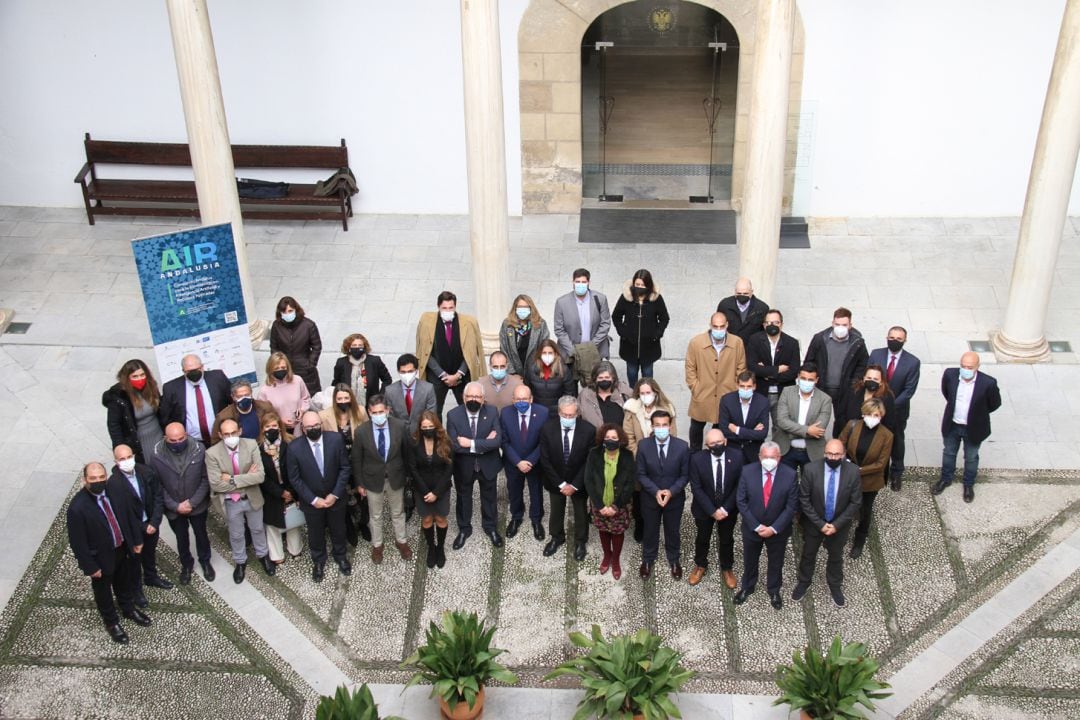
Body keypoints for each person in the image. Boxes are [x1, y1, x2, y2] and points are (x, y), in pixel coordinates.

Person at [67, 462, 149, 644]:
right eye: (93, 478)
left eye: (101, 477)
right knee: (103, 592)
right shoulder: (77, 508)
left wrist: (136, 540)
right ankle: (112, 623)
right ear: (85, 480)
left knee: (124, 582)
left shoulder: (114, 491)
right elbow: (77, 542)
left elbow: (127, 516)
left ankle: (128, 609)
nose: (98, 481)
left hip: (121, 548)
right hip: (100, 557)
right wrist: (89, 566)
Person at [792, 439, 862, 607]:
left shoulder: (852, 472)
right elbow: (804, 500)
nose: (833, 457)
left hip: (839, 526)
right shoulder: (811, 470)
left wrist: (836, 525)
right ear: (824, 453)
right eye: (829, 453)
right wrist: (820, 524)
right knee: (808, 554)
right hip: (814, 524)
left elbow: (855, 502)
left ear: (843, 455)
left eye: (837, 454)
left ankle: (835, 585)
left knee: (836, 557)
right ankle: (804, 581)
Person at [287, 410, 352, 582]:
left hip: (335, 498)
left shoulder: (336, 439)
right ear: (303, 427)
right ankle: (319, 561)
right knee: (315, 533)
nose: (314, 428)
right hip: (312, 502)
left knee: (339, 529)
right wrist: (313, 500)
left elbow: (345, 468)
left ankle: (340, 556)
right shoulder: (294, 448)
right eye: (309, 427)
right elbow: (295, 478)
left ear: (321, 424)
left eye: (316, 425)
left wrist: (336, 494)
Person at [206, 419, 273, 583]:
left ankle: (263, 555)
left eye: (233, 432)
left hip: (252, 497)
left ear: (240, 431)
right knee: (236, 534)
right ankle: (240, 561)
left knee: (257, 529)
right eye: (227, 434)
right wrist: (246, 479)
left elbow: (259, 476)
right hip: (231, 502)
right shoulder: (212, 453)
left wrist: (231, 479)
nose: (231, 436)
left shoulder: (251, 445)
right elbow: (216, 484)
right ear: (221, 435)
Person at [734, 441, 799, 610]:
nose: (769, 460)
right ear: (759, 457)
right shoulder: (747, 472)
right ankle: (748, 586)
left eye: (772, 457)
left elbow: (791, 506)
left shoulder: (790, 474)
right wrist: (756, 526)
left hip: (778, 531)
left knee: (776, 562)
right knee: (750, 560)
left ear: (779, 457)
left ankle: (774, 590)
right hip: (752, 529)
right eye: (765, 457)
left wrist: (774, 528)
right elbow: (741, 501)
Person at [108, 445, 173, 607]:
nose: (126, 461)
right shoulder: (114, 484)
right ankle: (137, 591)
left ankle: (151, 577)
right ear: (116, 461)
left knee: (150, 554)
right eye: (122, 459)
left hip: (151, 523)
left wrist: (155, 522)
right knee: (134, 562)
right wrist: (143, 528)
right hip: (133, 530)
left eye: (129, 457)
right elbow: (121, 515)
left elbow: (158, 496)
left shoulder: (146, 472)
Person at [933, 352, 1001, 503]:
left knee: (971, 457)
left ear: (977, 367)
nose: (965, 370)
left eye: (969, 367)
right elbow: (947, 393)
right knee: (949, 452)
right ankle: (946, 478)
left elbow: (995, 403)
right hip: (952, 424)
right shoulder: (950, 374)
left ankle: (968, 484)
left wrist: (978, 413)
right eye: (963, 366)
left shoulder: (988, 383)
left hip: (973, 427)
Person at [352, 395, 413, 564]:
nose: (378, 415)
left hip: (396, 477)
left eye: (381, 411)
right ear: (369, 413)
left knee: (398, 513)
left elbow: (406, 452)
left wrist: (408, 476)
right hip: (372, 480)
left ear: (387, 410)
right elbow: (356, 459)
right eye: (374, 412)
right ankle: (377, 545)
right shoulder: (361, 431)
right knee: (375, 515)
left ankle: (401, 541)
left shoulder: (400, 426)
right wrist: (359, 483)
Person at [151, 423, 214, 584]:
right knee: (181, 538)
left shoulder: (199, 450)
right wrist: (175, 505)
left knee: (201, 534)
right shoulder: (157, 455)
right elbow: (157, 486)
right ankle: (186, 565)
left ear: (186, 435)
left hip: (197, 505)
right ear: (166, 438)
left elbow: (205, 480)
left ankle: (205, 561)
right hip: (174, 508)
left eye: (181, 438)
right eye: (173, 440)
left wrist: (192, 503)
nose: (178, 442)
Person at [446, 382, 503, 549]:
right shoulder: (453, 415)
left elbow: (497, 441)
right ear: (463, 397)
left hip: (488, 465)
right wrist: (484, 443)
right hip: (464, 467)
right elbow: (454, 445)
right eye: (470, 396)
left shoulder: (492, 412)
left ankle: (491, 527)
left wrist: (470, 444)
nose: (473, 399)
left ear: (483, 399)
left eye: (477, 396)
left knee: (490, 498)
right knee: (463, 499)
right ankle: (464, 529)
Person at [622, 378, 679, 542]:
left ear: (655, 392)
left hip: (661, 461)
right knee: (639, 497)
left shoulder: (667, 409)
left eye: (648, 392)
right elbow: (629, 438)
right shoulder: (632, 410)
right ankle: (640, 525)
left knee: (658, 491)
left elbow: (672, 435)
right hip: (638, 460)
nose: (645, 396)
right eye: (642, 393)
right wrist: (640, 457)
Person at [540, 397, 596, 562]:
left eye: (571, 415)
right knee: (556, 511)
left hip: (579, 481)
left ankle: (580, 541)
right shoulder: (547, 429)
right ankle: (557, 537)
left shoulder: (588, 430)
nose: (568, 418)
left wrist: (575, 484)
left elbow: (589, 460)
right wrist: (561, 483)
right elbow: (545, 459)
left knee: (580, 513)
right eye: (565, 414)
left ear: (577, 413)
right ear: (558, 412)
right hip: (555, 480)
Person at [636, 411, 691, 581]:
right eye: (657, 425)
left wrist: (671, 491)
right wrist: (656, 491)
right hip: (650, 498)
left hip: (674, 499)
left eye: (664, 425)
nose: (661, 428)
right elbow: (641, 474)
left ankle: (674, 560)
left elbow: (685, 475)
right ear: (652, 426)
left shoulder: (682, 446)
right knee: (650, 529)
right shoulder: (644, 445)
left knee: (672, 530)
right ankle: (647, 559)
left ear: (670, 425)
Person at [687, 430, 744, 589]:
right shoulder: (697, 459)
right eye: (713, 444)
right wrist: (712, 511)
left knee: (726, 539)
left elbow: (739, 485)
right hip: (704, 509)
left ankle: (727, 567)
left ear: (725, 441)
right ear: (707, 445)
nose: (717, 445)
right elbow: (696, 488)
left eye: (719, 442)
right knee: (702, 538)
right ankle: (700, 565)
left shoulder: (737, 456)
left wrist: (725, 509)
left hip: (728, 509)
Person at [839, 399, 894, 560]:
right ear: (863, 413)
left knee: (865, 511)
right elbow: (841, 443)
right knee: (843, 505)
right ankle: (840, 534)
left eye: (875, 415)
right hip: (848, 475)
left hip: (869, 481)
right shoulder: (852, 425)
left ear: (881, 416)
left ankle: (859, 540)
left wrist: (858, 470)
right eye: (869, 414)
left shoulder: (887, 436)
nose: (872, 417)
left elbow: (880, 464)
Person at [415, 290, 485, 417]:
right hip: (436, 376)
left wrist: (458, 374)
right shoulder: (426, 321)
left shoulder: (468, 323)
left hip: (462, 376)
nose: (448, 311)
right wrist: (442, 374)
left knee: (468, 410)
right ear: (438, 307)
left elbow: (471, 353)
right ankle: (437, 436)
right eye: (444, 308)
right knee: (433, 412)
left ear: (455, 307)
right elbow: (424, 352)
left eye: (451, 308)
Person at [685, 311, 747, 450]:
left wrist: (735, 389)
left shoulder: (737, 342)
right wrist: (695, 387)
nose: (718, 330)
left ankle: (716, 454)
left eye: (721, 326)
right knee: (696, 427)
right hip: (703, 392)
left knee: (721, 428)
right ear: (710, 325)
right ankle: (694, 455)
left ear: (727, 325)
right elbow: (690, 368)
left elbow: (741, 367)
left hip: (727, 393)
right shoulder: (696, 342)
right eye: (715, 326)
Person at [802, 307, 868, 437]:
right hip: (821, 389)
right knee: (816, 421)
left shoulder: (857, 342)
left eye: (844, 325)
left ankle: (838, 451)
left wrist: (854, 382)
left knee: (843, 423)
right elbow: (809, 361)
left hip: (845, 391)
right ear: (832, 323)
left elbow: (863, 364)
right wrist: (812, 381)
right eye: (837, 324)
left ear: (850, 325)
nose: (840, 327)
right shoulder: (820, 339)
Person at [869, 326, 921, 490]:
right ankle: (876, 469)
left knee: (896, 441)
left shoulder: (913, 362)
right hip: (874, 408)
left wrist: (888, 406)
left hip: (897, 411)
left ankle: (896, 473)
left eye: (899, 339)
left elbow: (909, 390)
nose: (894, 341)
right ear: (887, 337)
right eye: (892, 337)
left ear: (905, 341)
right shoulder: (876, 354)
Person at [319, 383, 371, 543]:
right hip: (338, 465)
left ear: (351, 398)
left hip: (358, 461)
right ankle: (348, 525)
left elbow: (368, 434)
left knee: (362, 495)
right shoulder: (324, 415)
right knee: (342, 495)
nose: (343, 401)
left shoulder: (360, 411)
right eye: (339, 398)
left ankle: (363, 523)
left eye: (346, 398)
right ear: (335, 399)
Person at [583, 422, 634, 579]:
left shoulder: (627, 456)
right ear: (602, 438)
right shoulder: (594, 453)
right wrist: (599, 505)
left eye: (614, 437)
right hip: (599, 502)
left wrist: (615, 506)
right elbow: (588, 480)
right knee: (603, 530)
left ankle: (616, 560)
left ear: (620, 439)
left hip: (619, 504)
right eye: (607, 437)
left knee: (617, 532)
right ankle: (607, 555)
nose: (610, 440)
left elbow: (630, 483)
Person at [500, 384, 549, 541]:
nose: (521, 402)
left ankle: (536, 519)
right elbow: (504, 441)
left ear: (531, 399)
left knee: (536, 491)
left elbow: (544, 441)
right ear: (513, 399)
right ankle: (516, 517)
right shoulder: (506, 413)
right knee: (514, 490)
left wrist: (530, 461)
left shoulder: (543, 413)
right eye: (518, 399)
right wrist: (517, 462)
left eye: (525, 399)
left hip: (535, 462)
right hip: (513, 462)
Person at [257, 412, 303, 564]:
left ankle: (295, 549)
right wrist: (279, 492)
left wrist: (290, 491)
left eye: (274, 426)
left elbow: (297, 468)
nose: (271, 429)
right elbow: (261, 476)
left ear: (280, 427)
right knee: (272, 524)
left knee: (292, 520)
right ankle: (276, 555)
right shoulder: (257, 449)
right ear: (262, 429)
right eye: (268, 426)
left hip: (291, 488)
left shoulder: (290, 443)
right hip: (271, 492)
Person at [410, 411, 454, 569]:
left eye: (430, 426)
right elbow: (413, 470)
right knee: (427, 519)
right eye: (424, 427)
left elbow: (449, 469)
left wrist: (436, 493)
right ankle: (431, 548)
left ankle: (440, 547)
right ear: (420, 428)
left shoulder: (445, 442)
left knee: (441, 519)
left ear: (436, 426)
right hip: (422, 490)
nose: (427, 429)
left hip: (441, 489)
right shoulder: (414, 443)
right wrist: (425, 492)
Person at [611, 269, 670, 386]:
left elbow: (664, 318)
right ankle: (633, 394)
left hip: (649, 346)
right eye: (637, 284)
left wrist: (657, 334)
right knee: (632, 372)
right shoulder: (625, 298)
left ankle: (647, 395)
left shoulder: (656, 299)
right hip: (629, 345)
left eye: (643, 285)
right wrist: (623, 332)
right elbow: (616, 316)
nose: (640, 287)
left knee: (647, 374)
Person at [158, 354, 231, 446]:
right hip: (192, 443)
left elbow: (232, 402)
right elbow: (166, 418)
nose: (194, 373)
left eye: (197, 369)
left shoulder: (218, 378)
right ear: (183, 371)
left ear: (202, 367)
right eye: (189, 371)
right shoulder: (171, 388)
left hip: (221, 437)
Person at [773, 364, 833, 475]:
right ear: (798, 377)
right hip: (786, 449)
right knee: (785, 485)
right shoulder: (787, 392)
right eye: (803, 378)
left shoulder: (825, 399)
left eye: (810, 379)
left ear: (816, 380)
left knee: (810, 489)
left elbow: (819, 430)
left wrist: (791, 430)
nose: (806, 382)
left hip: (811, 452)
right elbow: (781, 421)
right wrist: (807, 430)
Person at [553, 268, 612, 378]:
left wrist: (591, 347)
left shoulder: (600, 299)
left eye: (584, 282)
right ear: (573, 282)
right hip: (570, 353)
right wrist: (572, 350)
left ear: (589, 283)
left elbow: (605, 323)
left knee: (593, 384)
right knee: (571, 384)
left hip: (594, 351)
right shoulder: (562, 302)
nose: (580, 284)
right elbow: (559, 329)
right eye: (577, 281)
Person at [103, 359, 164, 465]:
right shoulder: (118, 397)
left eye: (142, 375)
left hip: (158, 436)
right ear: (127, 378)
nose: (140, 379)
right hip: (138, 442)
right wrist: (120, 447)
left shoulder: (151, 387)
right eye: (135, 376)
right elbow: (114, 425)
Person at [745, 309, 800, 425]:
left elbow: (794, 371)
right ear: (764, 325)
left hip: (782, 393)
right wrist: (777, 370)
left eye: (776, 322)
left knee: (780, 427)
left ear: (781, 324)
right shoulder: (754, 340)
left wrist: (766, 373)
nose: (772, 326)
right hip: (760, 392)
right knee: (757, 426)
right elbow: (752, 367)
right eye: (769, 323)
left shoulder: (792, 343)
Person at [269, 295, 323, 395]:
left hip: (305, 370)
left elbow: (317, 346)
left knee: (310, 397)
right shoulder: (276, 326)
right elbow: (274, 347)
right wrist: (278, 365)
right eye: (284, 312)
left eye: (290, 311)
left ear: (296, 310)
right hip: (285, 369)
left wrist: (310, 364)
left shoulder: (308, 325)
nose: (287, 314)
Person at [719, 371, 770, 465]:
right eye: (742, 386)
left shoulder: (763, 402)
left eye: (749, 386)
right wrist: (752, 432)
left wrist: (737, 430)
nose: (745, 389)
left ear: (754, 386)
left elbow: (763, 433)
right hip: (732, 451)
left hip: (754, 453)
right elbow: (724, 430)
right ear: (737, 386)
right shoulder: (726, 400)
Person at [258, 352, 312, 438]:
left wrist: (302, 410)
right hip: (280, 432)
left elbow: (306, 398)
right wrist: (279, 420)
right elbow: (263, 415)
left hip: (300, 428)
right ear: (270, 369)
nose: (280, 370)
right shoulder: (264, 391)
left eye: (283, 367)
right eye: (277, 368)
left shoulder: (298, 381)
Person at [331, 332, 393, 408]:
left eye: (360, 345)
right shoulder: (341, 362)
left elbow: (387, 380)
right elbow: (336, 382)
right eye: (354, 345)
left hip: (371, 405)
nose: (357, 348)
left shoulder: (374, 361)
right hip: (348, 405)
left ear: (364, 347)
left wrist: (380, 396)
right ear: (348, 347)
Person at [835, 365, 897, 439]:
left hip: (874, 439)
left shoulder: (887, 398)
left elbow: (889, 423)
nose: (872, 381)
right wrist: (848, 431)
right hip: (849, 435)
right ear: (864, 378)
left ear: (881, 382)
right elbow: (841, 414)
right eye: (869, 378)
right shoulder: (853, 391)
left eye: (875, 379)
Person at [210, 379, 275, 445]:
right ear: (233, 397)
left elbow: (278, 426)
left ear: (251, 393)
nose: (244, 399)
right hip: (241, 452)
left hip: (265, 446)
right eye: (239, 396)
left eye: (247, 395)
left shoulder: (266, 407)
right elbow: (216, 442)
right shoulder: (223, 416)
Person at [499, 294, 550, 377]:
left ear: (531, 308)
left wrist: (537, 370)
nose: (522, 309)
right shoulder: (507, 324)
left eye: (525, 307)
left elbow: (544, 347)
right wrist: (512, 372)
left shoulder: (540, 324)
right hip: (513, 374)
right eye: (520, 307)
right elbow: (503, 349)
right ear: (515, 308)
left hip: (534, 373)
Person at [385, 353, 437, 433]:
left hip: (421, 433)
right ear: (398, 371)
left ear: (416, 371)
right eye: (403, 372)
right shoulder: (390, 391)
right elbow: (390, 416)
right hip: (399, 434)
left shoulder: (428, 389)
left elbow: (431, 414)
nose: (407, 375)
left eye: (410, 371)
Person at [524, 339, 577, 413]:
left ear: (555, 354)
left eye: (550, 353)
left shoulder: (563, 370)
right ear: (539, 354)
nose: (547, 355)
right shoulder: (532, 369)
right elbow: (527, 390)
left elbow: (569, 393)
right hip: (536, 410)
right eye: (544, 353)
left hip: (557, 412)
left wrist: (560, 408)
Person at [577, 361, 633, 429]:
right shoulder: (585, 395)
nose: (604, 380)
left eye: (607, 377)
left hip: (621, 436)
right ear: (595, 379)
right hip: (594, 437)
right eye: (600, 378)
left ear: (613, 378)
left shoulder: (625, 392)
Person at [716, 277, 770, 346]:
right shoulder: (725, 305)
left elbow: (765, 333)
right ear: (735, 292)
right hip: (730, 347)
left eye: (745, 293)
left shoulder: (762, 308)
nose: (742, 296)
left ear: (751, 292)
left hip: (752, 349)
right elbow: (718, 325)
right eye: (739, 293)